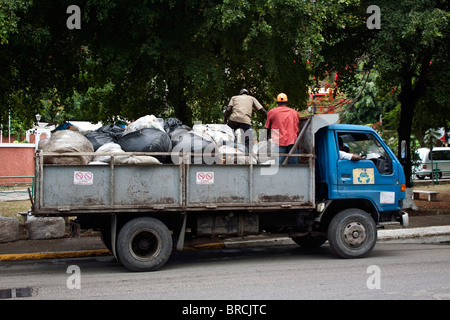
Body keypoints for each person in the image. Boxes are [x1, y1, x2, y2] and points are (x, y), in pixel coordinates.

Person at [265, 93, 300, 164]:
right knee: (294, 169)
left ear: (277, 102)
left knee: (279, 169)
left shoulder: (272, 112)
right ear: (287, 102)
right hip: (292, 142)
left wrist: (266, 141)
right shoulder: (294, 113)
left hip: (278, 143)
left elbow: (267, 128)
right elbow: (297, 128)